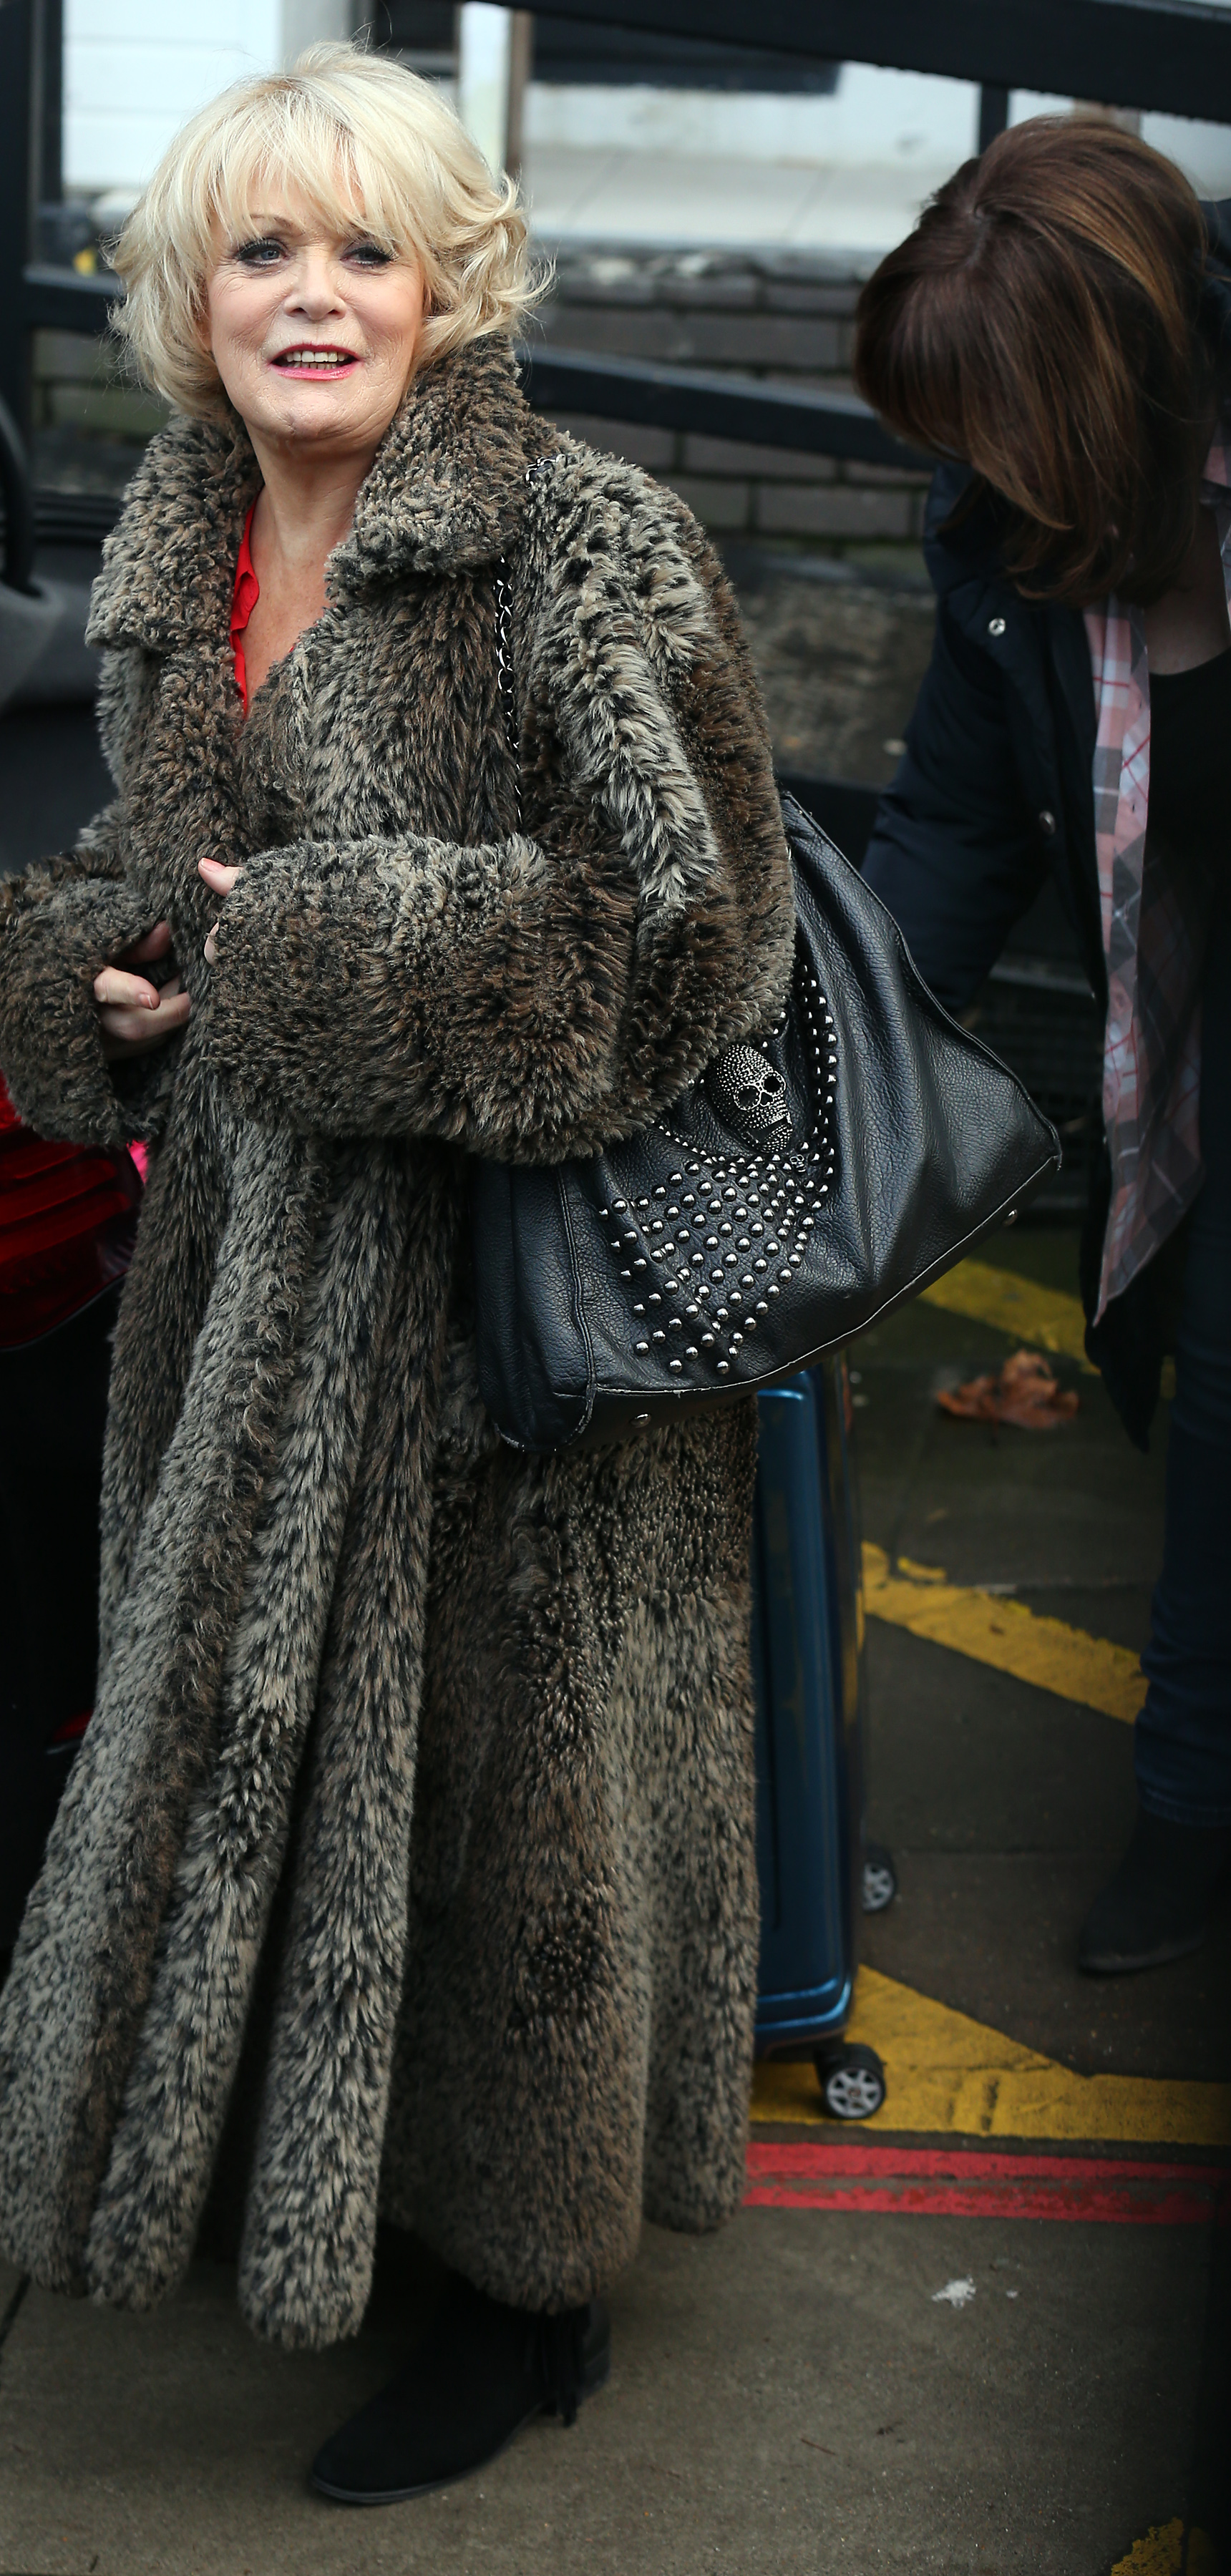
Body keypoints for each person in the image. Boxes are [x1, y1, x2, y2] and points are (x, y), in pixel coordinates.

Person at [0, 42, 794, 2503]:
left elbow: (683, 938)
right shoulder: (178, 543)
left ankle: (531, 2300)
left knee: (524, 1813)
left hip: (517, 1326)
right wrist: (88, 965)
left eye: (367, 248)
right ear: (187, 299)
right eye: (260, 249)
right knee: (311, 1783)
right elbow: (160, 870)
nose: (313, 295)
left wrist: (284, 965)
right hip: (247, 1306)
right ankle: (345, 2198)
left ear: (454, 284)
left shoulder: (585, 543)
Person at [853, 118, 1231, 1974]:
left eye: (988, 424)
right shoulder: (1004, 538)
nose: (958, 470)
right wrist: (820, 1066)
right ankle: (1188, 1823)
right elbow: (953, 835)